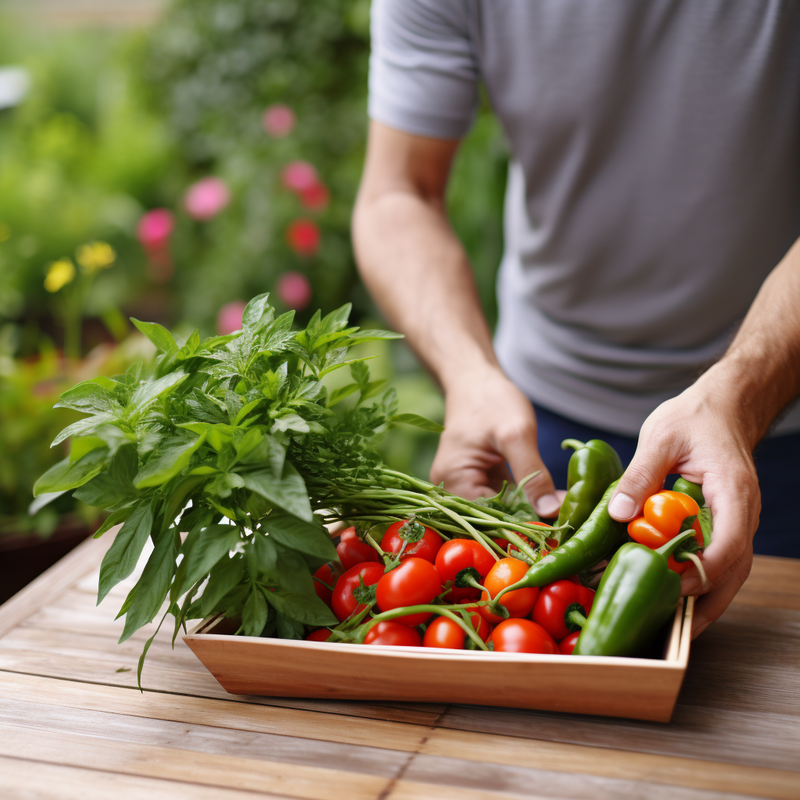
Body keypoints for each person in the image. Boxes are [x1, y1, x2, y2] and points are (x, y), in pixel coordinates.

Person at [351, 1, 800, 638]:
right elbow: (400, 192)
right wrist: (468, 374)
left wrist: (743, 396)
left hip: (776, 424)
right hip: (540, 422)